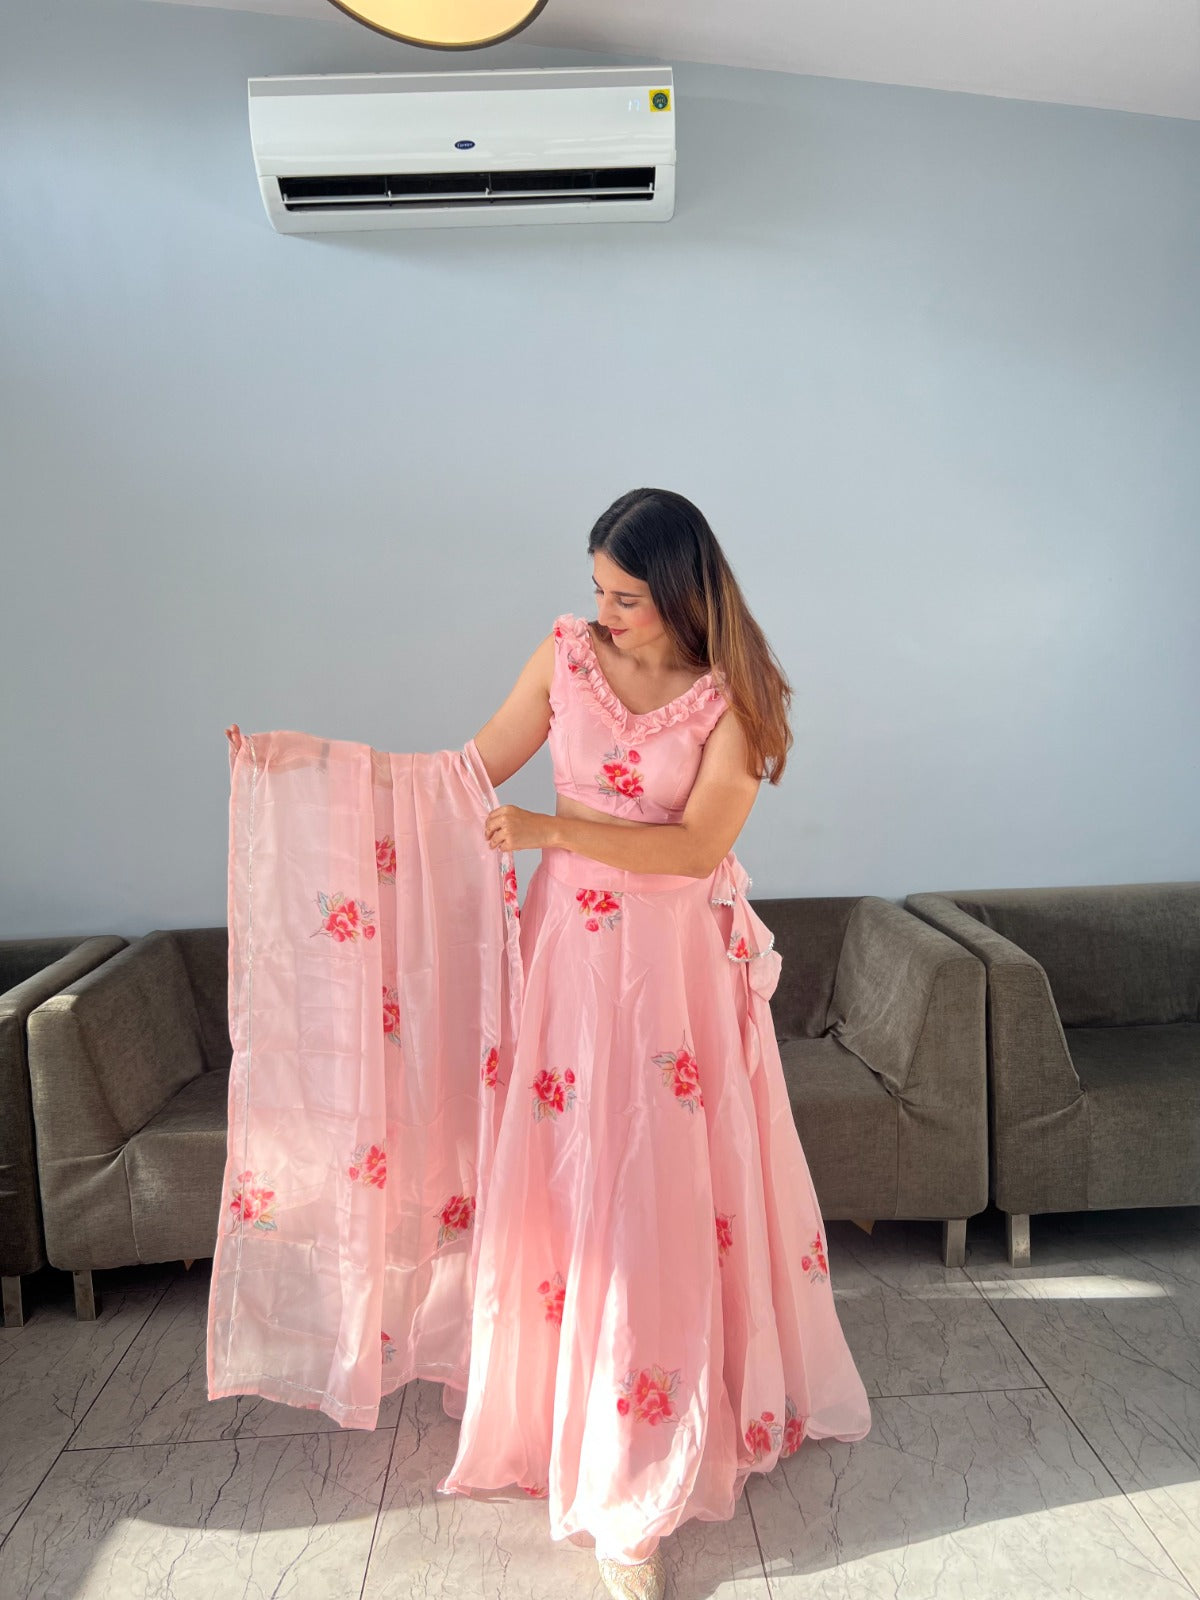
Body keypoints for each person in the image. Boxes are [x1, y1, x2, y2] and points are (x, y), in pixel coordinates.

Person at [433, 488, 872, 1600]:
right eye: (597, 589)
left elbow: (691, 849)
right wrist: (315, 777)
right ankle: (573, 1416)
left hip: (673, 977)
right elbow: (468, 771)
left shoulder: (736, 700)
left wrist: (550, 828)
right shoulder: (566, 658)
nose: (605, 613)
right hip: (570, 975)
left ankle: (640, 1472)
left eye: (626, 596)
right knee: (577, 1184)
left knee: (656, 1196)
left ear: (681, 593)